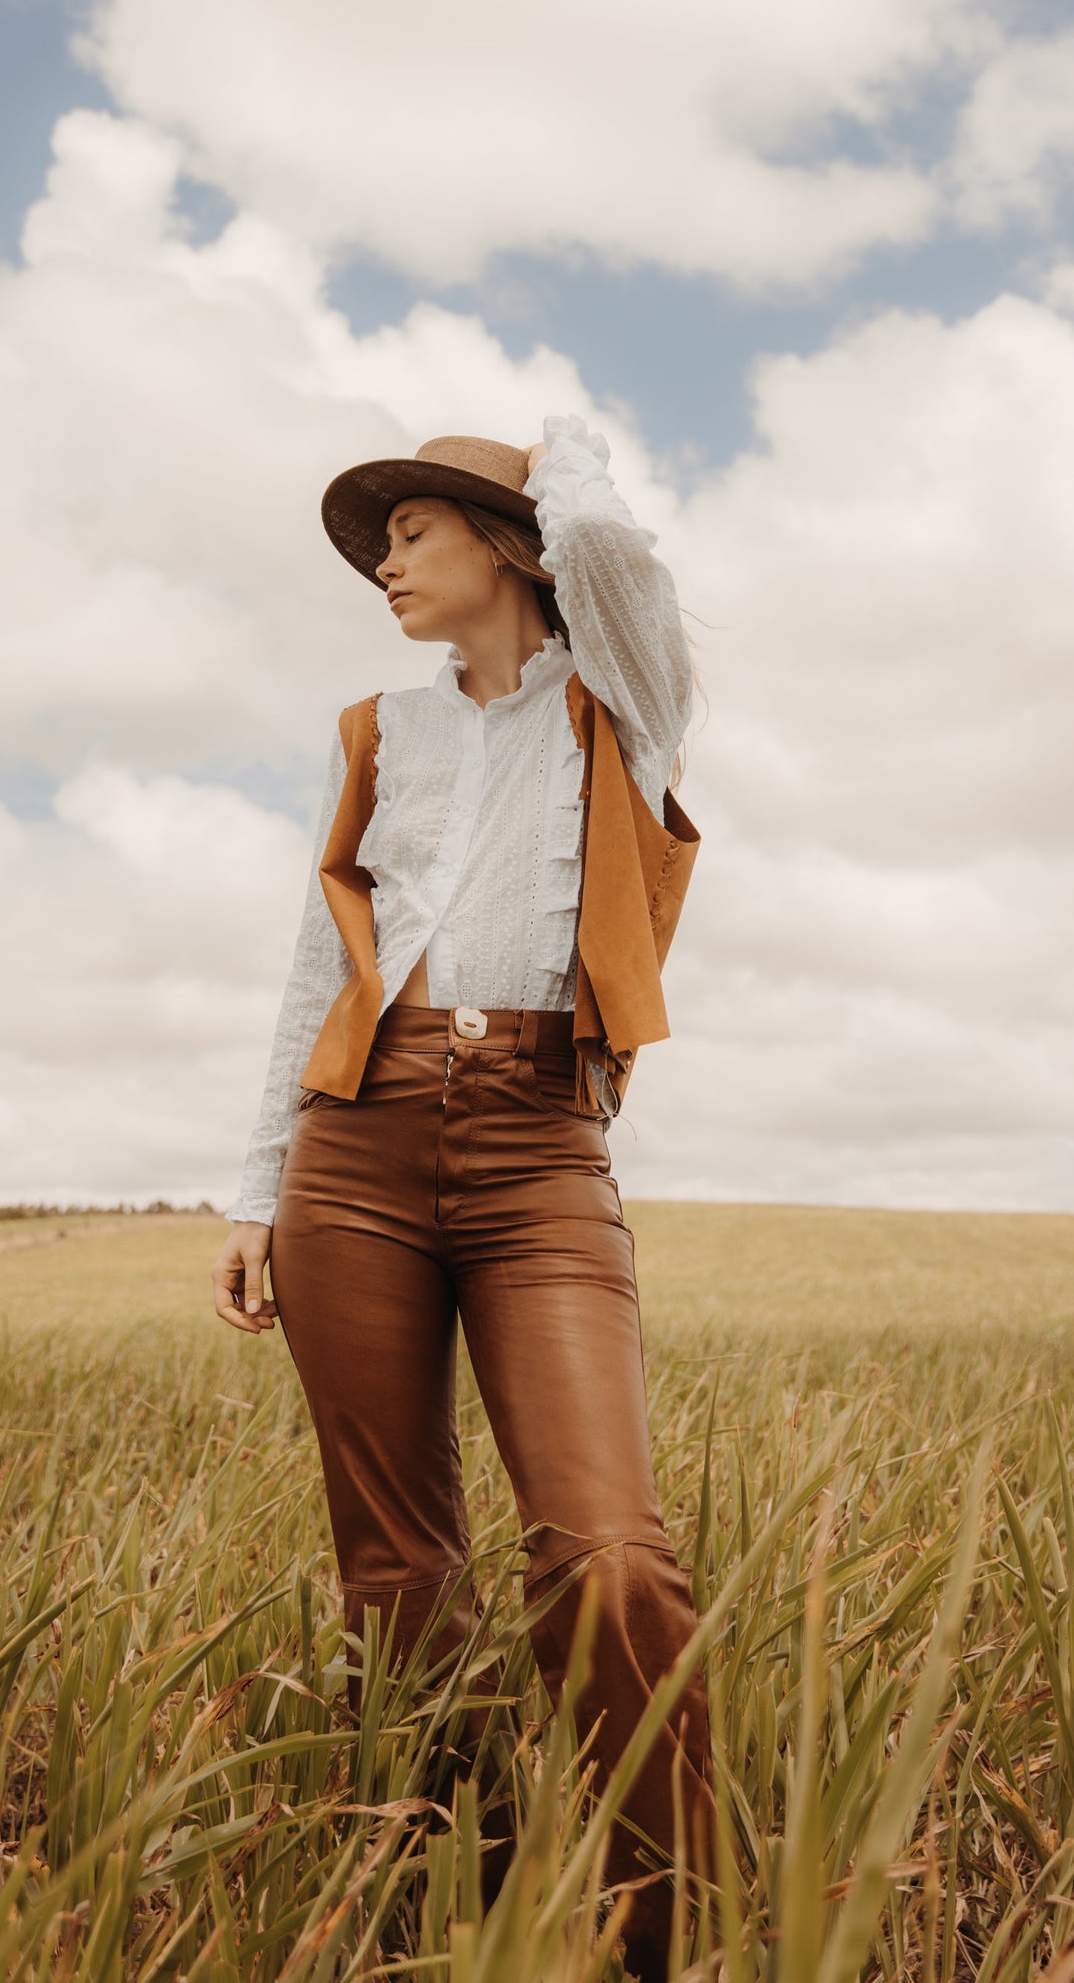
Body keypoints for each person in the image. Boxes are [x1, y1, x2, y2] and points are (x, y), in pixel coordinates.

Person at [212, 413, 711, 1978]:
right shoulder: (379, 730)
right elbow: (321, 961)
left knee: (609, 1555)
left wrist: (563, 462)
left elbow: (612, 561)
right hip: (351, 1143)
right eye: (381, 545)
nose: (385, 564)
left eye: (415, 531)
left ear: (506, 543)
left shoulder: (624, 698)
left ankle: (666, 1935)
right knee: (397, 1574)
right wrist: (257, 1186)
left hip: (539, 1144)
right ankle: (461, 1913)